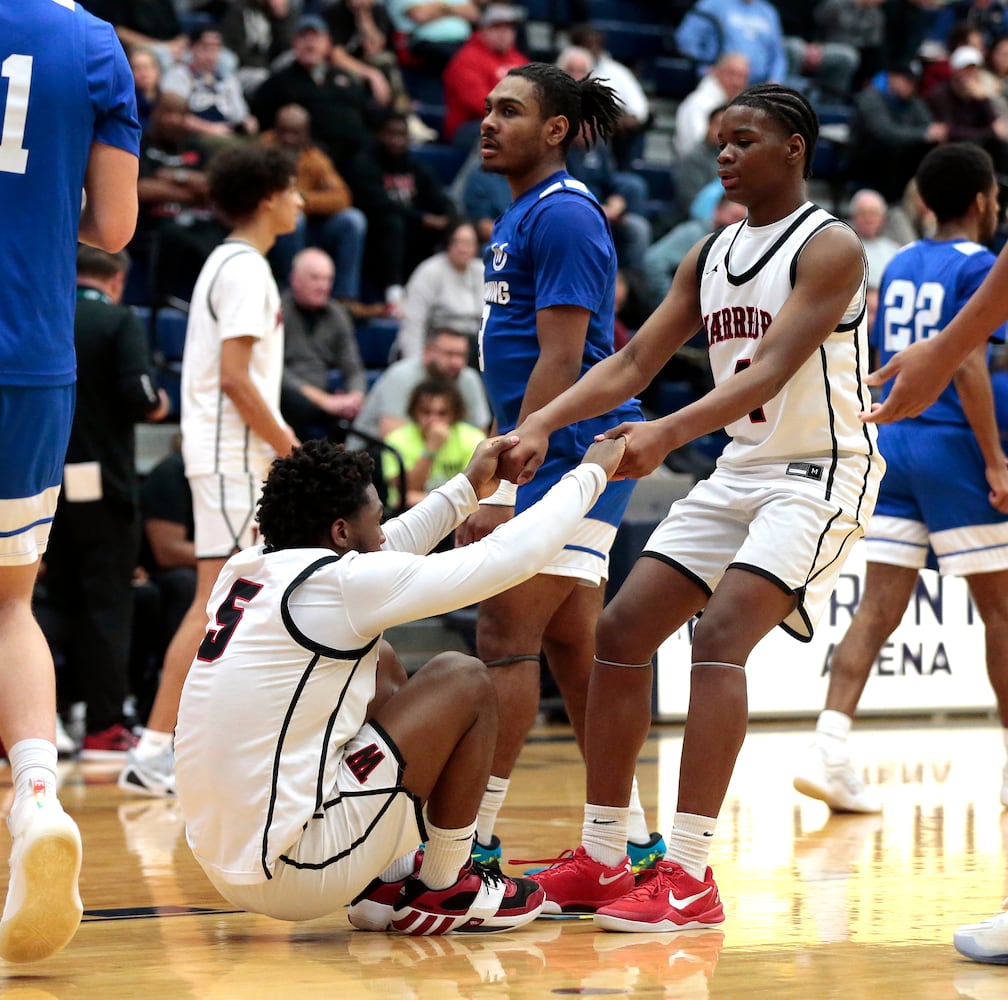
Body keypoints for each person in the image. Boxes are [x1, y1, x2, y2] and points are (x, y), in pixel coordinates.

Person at [498, 83, 884, 930]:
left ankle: (690, 873)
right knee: (621, 632)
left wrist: (663, 435)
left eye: (743, 140)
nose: (724, 154)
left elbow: (769, 370)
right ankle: (605, 857)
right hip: (743, 467)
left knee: (718, 638)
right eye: (718, 140)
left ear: (794, 149)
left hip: (822, 472)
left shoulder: (831, 247)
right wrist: (539, 425)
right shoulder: (708, 253)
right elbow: (633, 362)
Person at [174, 433, 627, 931]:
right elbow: (509, 558)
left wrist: (469, 487)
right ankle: (445, 885)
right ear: (342, 532)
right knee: (465, 678)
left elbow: (388, 550)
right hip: (293, 870)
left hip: (231, 860)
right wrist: (591, 476)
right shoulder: (341, 587)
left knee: (380, 660)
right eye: (376, 517)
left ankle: (386, 881)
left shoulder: (249, 569)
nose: (384, 529)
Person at [460, 63, 663, 873]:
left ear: (554, 130)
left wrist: (511, 482)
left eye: (508, 110)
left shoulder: (568, 215)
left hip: (575, 451)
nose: (488, 121)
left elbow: (564, 358)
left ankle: (466, 847)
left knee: (504, 631)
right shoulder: (523, 213)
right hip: (557, 447)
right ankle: (630, 843)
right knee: (574, 647)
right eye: (486, 108)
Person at [792, 143, 1008, 817]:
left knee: (878, 608)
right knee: (1000, 611)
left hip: (895, 443)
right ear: (982, 201)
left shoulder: (902, 262)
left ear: (922, 204)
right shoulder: (983, 267)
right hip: (952, 446)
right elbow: (966, 364)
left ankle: (829, 750)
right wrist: (996, 460)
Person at [0, 0, 140, 963]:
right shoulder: (90, 43)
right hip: (28, 353)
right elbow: (117, 225)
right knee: (12, 603)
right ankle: (38, 794)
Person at [118, 145, 303, 799]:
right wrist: (292, 450)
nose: (302, 202)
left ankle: (188, 745)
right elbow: (235, 380)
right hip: (231, 459)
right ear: (267, 196)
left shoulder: (232, 263)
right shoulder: (245, 268)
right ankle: (154, 748)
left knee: (236, 606)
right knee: (213, 605)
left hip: (229, 457)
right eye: (293, 190)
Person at [43, 247, 169, 761]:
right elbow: (139, 395)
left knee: (51, 602)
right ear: (117, 279)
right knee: (109, 607)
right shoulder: (117, 319)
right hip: (106, 490)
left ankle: (49, 715)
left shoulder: (46, 310)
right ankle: (104, 726)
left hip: (45, 485)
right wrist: (160, 402)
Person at [261, 103, 368, 302]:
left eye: (295, 133)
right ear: (274, 130)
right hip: (269, 231)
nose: (288, 139)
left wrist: (302, 199)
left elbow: (342, 197)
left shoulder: (314, 158)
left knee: (353, 220)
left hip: (308, 227)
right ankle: (292, 291)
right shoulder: (261, 152)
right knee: (294, 218)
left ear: (306, 134)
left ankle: (344, 297)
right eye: (284, 132)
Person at [279, 247, 368, 441]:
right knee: (293, 402)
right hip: (286, 397)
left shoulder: (337, 314)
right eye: (315, 278)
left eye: (328, 279)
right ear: (295, 279)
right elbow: (275, 371)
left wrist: (355, 396)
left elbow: (353, 367)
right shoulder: (277, 312)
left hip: (324, 396)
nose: (323, 286)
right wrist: (323, 400)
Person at [353, 325, 491, 443]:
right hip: (374, 451)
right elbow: (392, 437)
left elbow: (479, 435)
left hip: (442, 457)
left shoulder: (468, 378)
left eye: (461, 355)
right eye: (449, 354)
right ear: (427, 352)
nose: (456, 362)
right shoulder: (401, 375)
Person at [849, 60, 947, 205]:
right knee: (891, 147)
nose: (911, 86)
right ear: (892, 77)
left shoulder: (913, 102)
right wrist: (923, 134)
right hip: (868, 160)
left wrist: (931, 133)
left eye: (914, 81)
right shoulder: (871, 98)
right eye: (907, 80)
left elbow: (929, 126)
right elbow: (885, 133)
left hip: (901, 162)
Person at [382, 377, 487, 508]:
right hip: (410, 515)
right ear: (414, 412)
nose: (433, 420)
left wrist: (426, 498)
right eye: (426, 412)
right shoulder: (395, 440)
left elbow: (477, 490)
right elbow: (406, 491)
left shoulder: (473, 438)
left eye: (442, 413)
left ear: (454, 414)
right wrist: (431, 449)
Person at [395, 219, 484, 361]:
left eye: (469, 243)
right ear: (448, 243)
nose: (463, 249)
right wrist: (415, 363)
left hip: (474, 348)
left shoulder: (482, 271)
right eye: (458, 242)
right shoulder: (429, 271)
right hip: (436, 347)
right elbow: (413, 323)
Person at [442, 4, 528, 148]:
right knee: (504, 133)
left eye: (508, 28)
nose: (503, 33)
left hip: (513, 122)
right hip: (471, 127)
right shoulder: (466, 59)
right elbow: (482, 104)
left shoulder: (519, 60)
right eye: (496, 27)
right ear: (482, 30)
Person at [160, 26, 259, 147]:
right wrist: (210, 128)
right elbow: (175, 116)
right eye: (205, 49)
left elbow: (240, 114)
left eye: (216, 49)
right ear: (191, 48)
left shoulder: (228, 78)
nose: (211, 55)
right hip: (196, 136)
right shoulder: (178, 75)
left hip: (229, 132)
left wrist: (248, 121)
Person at [674, 53, 750, 159]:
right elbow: (698, 149)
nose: (737, 83)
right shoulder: (698, 103)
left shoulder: (738, 107)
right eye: (732, 74)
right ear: (715, 72)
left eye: (743, 77)